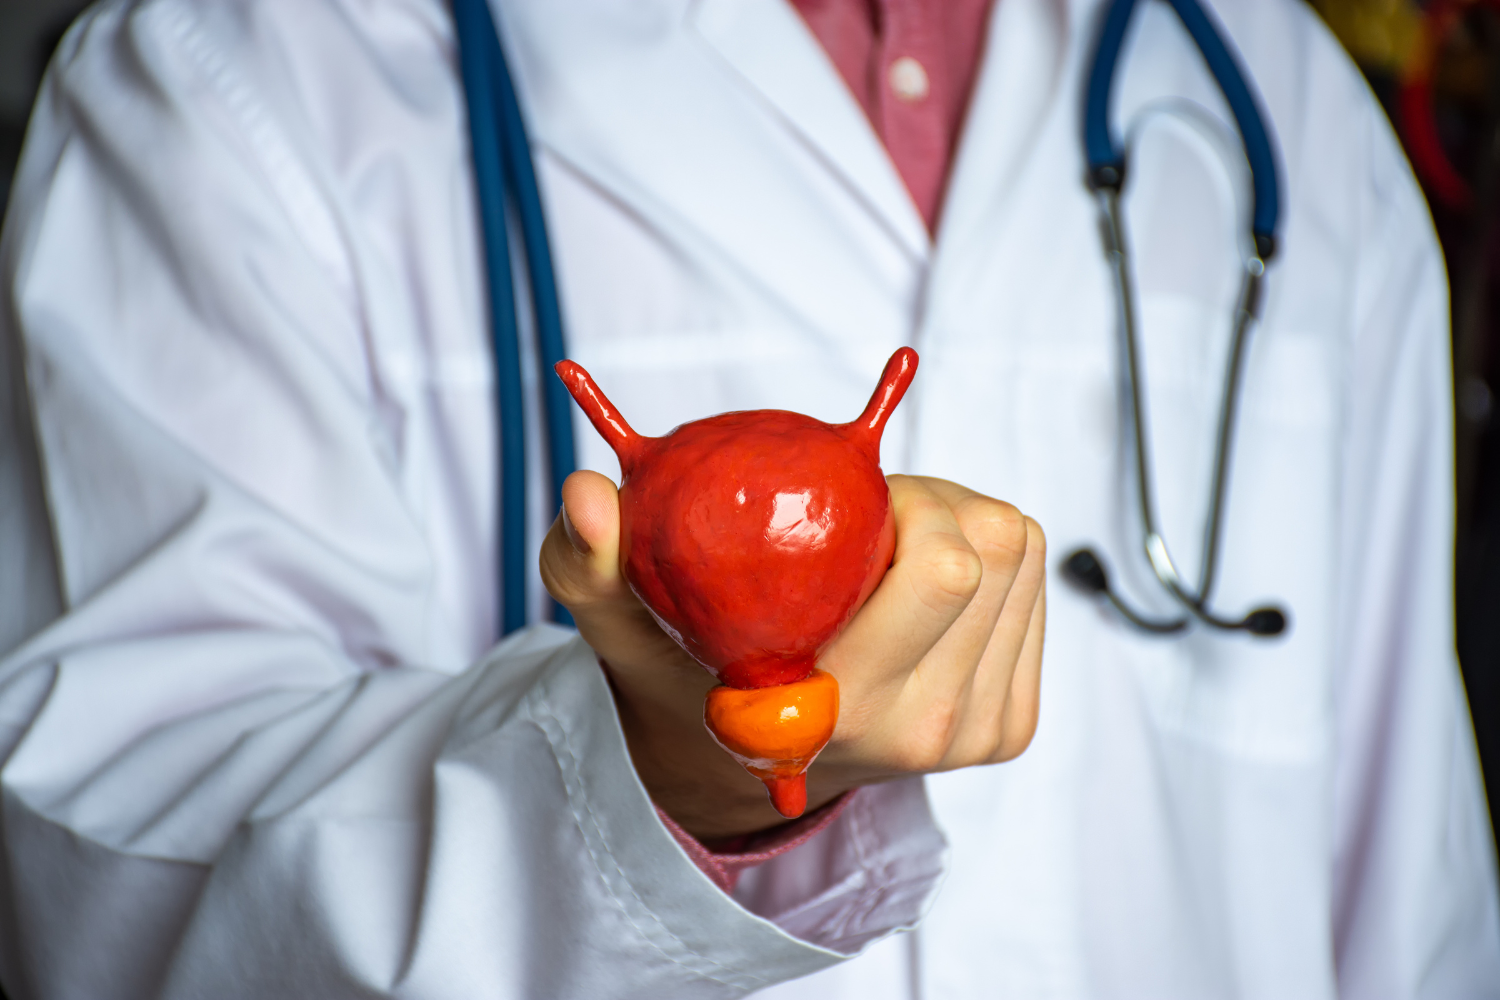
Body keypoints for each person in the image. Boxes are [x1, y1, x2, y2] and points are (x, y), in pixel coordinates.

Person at [0, 0, 1495, 997]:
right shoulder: (226, 74)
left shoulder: (1283, 111)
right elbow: (108, 897)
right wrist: (645, 785)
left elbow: (1412, 899)